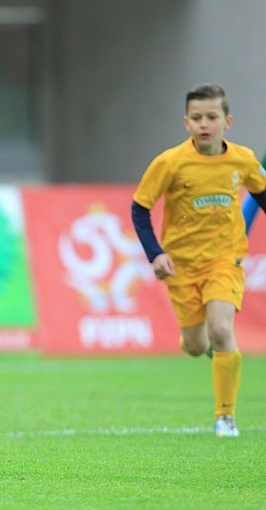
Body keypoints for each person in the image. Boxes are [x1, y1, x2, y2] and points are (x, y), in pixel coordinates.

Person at [131, 83, 266, 438]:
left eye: (211, 117)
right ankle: (199, 343)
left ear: (227, 120)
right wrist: (155, 254)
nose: (204, 124)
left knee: (222, 329)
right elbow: (139, 208)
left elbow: (261, 193)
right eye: (196, 118)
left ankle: (226, 417)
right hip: (182, 265)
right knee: (195, 345)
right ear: (186, 122)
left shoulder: (243, 160)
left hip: (225, 259)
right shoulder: (170, 163)